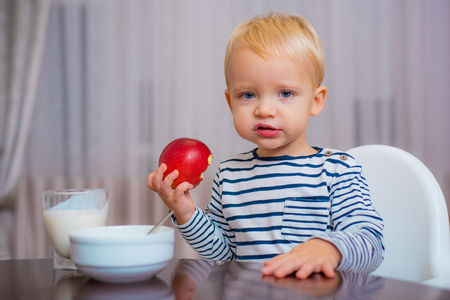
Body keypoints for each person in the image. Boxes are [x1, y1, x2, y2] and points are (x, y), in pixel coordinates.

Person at [147, 11, 384, 279]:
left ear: (315, 101)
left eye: (285, 93)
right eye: (248, 95)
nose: (264, 109)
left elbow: (371, 242)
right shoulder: (229, 175)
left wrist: (330, 249)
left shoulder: (336, 170)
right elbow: (224, 255)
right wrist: (186, 212)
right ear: (230, 102)